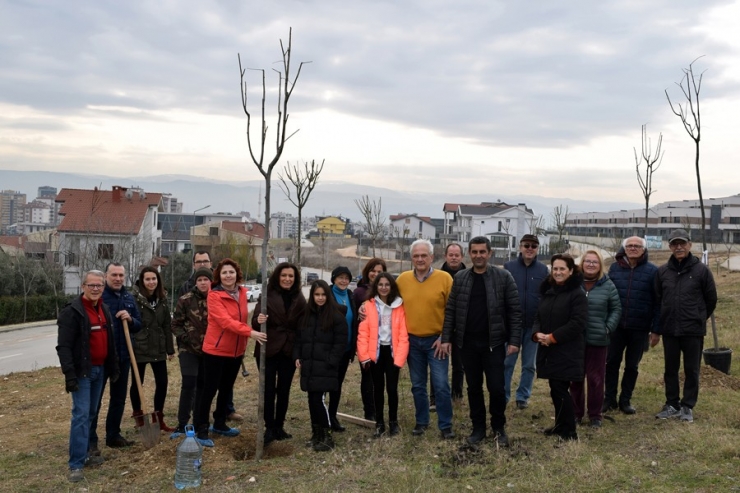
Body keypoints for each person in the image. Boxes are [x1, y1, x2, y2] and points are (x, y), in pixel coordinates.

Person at [441, 236, 522, 446]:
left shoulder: (504, 277)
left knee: (496, 387)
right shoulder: (460, 278)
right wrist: (447, 337)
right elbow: (451, 310)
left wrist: (514, 340)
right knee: (473, 387)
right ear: (469, 253)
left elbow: (514, 311)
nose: (478, 255)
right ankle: (478, 428)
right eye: (474, 252)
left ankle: (498, 427)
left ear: (489, 253)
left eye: (482, 252)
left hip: (493, 344)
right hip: (467, 344)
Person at [193, 259, 267, 447]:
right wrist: (250, 332)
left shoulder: (242, 293)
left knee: (226, 389)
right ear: (219, 275)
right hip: (216, 350)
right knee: (209, 390)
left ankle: (219, 423)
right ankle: (201, 428)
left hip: (236, 351)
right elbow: (225, 321)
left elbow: (243, 316)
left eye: (231, 272)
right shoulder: (214, 295)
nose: (228, 276)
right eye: (224, 272)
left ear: (237, 274)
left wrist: (257, 319)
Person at [56, 270, 119, 483]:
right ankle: (75, 465)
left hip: (100, 370)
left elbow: (110, 341)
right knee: (81, 415)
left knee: (91, 413)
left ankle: (85, 454)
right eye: (91, 285)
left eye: (99, 286)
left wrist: (114, 367)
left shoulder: (105, 309)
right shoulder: (72, 312)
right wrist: (69, 375)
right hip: (83, 372)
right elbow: (63, 346)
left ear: (103, 287)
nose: (95, 289)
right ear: (83, 286)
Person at [652, 229, 717, 423]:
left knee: (692, 369)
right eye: (674, 244)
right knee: (670, 369)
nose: (678, 247)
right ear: (670, 247)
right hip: (670, 329)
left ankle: (687, 406)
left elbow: (711, 299)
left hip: (693, 329)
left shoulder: (702, 271)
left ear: (690, 245)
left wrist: (699, 317)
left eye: (682, 243)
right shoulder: (662, 271)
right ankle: (672, 404)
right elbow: (657, 299)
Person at [396, 239, 455, 439]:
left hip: (436, 342)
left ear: (432, 257)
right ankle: (422, 421)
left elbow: (452, 311)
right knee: (417, 385)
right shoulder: (402, 280)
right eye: (416, 256)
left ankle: (446, 425)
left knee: (440, 385)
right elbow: (389, 304)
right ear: (411, 258)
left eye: (424, 255)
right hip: (412, 342)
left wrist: (445, 337)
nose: (420, 259)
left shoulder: (445, 278)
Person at [177, 250, 242, 421]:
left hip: (215, 345)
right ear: (194, 265)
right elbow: (177, 321)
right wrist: (187, 338)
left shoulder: (220, 290)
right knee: (195, 383)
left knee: (221, 382)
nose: (202, 264)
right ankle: (189, 420)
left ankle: (226, 411)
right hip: (192, 346)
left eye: (205, 260)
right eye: (199, 261)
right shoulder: (186, 290)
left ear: (211, 263)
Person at [533, 254, 588, 441]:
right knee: (555, 388)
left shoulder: (577, 294)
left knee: (560, 389)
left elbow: (577, 323)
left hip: (567, 350)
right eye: (555, 269)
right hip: (549, 349)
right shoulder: (549, 291)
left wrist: (553, 338)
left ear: (571, 271)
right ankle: (560, 425)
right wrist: (537, 333)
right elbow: (538, 317)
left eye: (562, 269)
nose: (558, 272)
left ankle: (570, 432)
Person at [603, 236, 660, 415]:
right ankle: (609, 398)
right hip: (616, 327)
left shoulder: (652, 271)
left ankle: (625, 400)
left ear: (644, 250)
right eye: (629, 246)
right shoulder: (614, 268)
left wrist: (656, 329)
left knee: (632, 366)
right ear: (624, 248)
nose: (633, 248)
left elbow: (658, 302)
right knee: (611, 362)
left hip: (640, 327)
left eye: (637, 246)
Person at [252, 262, 307, 444]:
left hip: (289, 350)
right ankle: (269, 427)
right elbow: (255, 319)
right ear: (277, 276)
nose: (287, 279)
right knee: (268, 390)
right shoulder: (268, 294)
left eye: (291, 276)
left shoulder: (299, 298)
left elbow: (303, 324)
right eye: (284, 275)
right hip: (268, 348)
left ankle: (279, 426)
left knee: (284, 390)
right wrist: (259, 318)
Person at [90, 262, 142, 452]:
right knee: (95, 400)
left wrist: (130, 319)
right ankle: (91, 440)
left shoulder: (129, 297)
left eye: (121, 275)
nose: (118, 278)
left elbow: (138, 324)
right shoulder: (99, 297)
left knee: (118, 398)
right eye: (114, 275)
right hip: (103, 359)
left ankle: (113, 435)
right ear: (106, 276)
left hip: (124, 357)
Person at [293, 280, 348, 451]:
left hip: (325, 367)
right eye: (317, 294)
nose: (320, 298)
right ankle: (316, 434)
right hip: (309, 365)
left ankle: (327, 435)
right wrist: (298, 356)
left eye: (323, 294)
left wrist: (331, 361)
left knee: (319, 400)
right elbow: (299, 339)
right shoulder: (306, 315)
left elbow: (340, 343)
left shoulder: (336, 317)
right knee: (312, 400)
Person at [569, 250, 621, 428]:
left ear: (600, 265)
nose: (591, 265)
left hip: (598, 339)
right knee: (575, 378)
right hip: (575, 340)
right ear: (582, 264)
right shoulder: (573, 284)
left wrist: (608, 328)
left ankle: (595, 415)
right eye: (588, 261)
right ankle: (576, 414)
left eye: (595, 262)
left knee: (595, 379)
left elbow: (616, 309)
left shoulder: (608, 285)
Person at [357, 273, 409, 438]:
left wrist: (399, 359)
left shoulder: (399, 306)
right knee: (377, 389)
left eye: (387, 284)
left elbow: (403, 335)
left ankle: (393, 422)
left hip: (392, 353)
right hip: (376, 354)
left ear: (392, 286)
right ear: (376, 286)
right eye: (381, 285)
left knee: (392, 389)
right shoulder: (368, 306)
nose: (384, 288)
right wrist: (364, 357)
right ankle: (380, 424)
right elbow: (363, 333)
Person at [127, 266, 175, 433]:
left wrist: (170, 349)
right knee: (137, 383)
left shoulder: (162, 298)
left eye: (154, 279)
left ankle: (158, 418)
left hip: (158, 347)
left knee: (162, 383)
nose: (151, 282)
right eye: (147, 279)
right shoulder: (133, 298)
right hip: (139, 347)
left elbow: (166, 325)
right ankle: (139, 417)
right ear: (142, 281)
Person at [503, 234, 548, 410]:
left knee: (529, 364)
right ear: (520, 247)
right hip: (511, 325)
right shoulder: (509, 267)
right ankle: (504, 395)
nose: (530, 249)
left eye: (534, 246)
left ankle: (523, 396)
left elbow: (546, 296)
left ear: (538, 249)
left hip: (533, 325)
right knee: (507, 363)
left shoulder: (543, 271)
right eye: (526, 245)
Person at [170, 267, 212, 438]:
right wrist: (185, 338)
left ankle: (199, 422)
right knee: (189, 383)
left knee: (203, 385)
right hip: (188, 349)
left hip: (209, 349)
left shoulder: (215, 299)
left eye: (206, 279)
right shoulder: (185, 300)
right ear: (196, 282)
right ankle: (182, 424)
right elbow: (175, 324)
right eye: (199, 280)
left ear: (211, 281)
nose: (203, 282)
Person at [353, 258, 387, 422]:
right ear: (367, 272)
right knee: (368, 376)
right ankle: (370, 412)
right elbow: (353, 318)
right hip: (366, 342)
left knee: (380, 377)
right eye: (372, 271)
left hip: (384, 341)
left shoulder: (388, 290)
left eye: (379, 271)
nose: (375, 274)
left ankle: (379, 409)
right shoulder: (359, 292)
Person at [326, 266, 359, 430]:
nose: (343, 280)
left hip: (345, 350)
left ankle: (333, 417)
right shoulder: (327, 294)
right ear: (333, 278)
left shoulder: (350, 295)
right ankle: (323, 419)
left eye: (346, 278)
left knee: (337, 385)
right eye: (340, 277)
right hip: (329, 350)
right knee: (325, 384)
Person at [440, 243, 467, 403]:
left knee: (459, 364)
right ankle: (436, 397)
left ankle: (457, 395)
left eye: (457, 255)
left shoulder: (468, 275)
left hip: (461, 326)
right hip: (440, 324)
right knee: (439, 364)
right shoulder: (437, 275)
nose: (454, 257)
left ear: (462, 256)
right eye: (451, 254)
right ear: (446, 256)